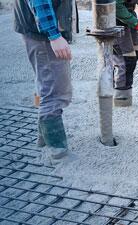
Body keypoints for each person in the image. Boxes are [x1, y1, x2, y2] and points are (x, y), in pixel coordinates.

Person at [13, 0, 78, 160]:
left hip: (36, 29)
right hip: (43, 34)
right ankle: (58, 152)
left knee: (46, 84)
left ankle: (44, 139)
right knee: (56, 91)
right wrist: (54, 35)